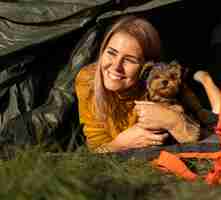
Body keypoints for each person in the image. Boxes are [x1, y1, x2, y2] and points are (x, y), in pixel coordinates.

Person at [75, 15, 204, 153]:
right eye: (111, 53)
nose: (116, 66)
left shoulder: (161, 85)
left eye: (130, 60)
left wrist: (172, 121)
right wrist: (119, 144)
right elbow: (96, 149)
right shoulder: (88, 80)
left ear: (147, 67)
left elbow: (197, 138)